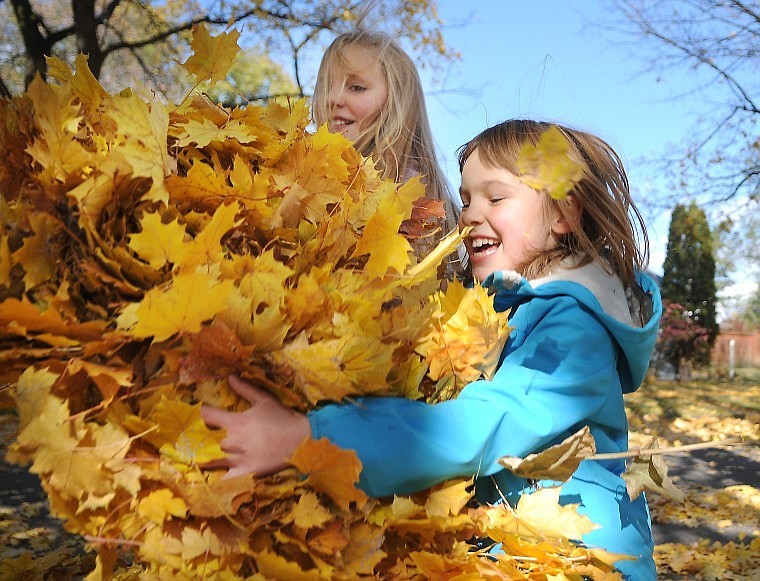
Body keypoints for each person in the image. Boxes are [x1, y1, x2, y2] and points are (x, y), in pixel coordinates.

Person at [202, 119, 662, 580]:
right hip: (516, 551)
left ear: (564, 215)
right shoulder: (501, 312)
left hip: (577, 560)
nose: (470, 214)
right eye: (466, 200)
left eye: (496, 197)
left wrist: (307, 438)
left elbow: (479, 426)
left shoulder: (572, 330)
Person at [311, 30, 459, 250]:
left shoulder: (408, 192)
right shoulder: (311, 175)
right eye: (326, 87)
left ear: (396, 103)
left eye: (356, 88)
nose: (331, 98)